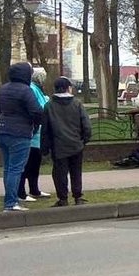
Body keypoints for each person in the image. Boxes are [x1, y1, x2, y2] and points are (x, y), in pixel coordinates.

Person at [0, 62, 44, 211]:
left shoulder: (3, 88)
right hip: (19, 133)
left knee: (8, 168)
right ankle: (11, 203)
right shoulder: (25, 90)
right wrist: (34, 125)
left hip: (1, 130)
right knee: (16, 169)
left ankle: (10, 200)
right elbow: (37, 111)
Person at [42, 77, 92, 206]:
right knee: (76, 171)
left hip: (58, 145)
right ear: (68, 88)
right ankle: (78, 196)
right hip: (76, 144)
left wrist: (45, 147)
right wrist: (84, 140)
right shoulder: (77, 103)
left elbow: (45, 128)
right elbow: (86, 125)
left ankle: (63, 198)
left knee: (59, 173)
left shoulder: (49, 105)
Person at [18, 68, 51, 202]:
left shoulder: (35, 88)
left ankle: (34, 189)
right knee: (27, 165)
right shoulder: (32, 89)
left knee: (35, 164)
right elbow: (39, 107)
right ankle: (22, 192)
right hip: (33, 134)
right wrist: (47, 102)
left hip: (37, 134)